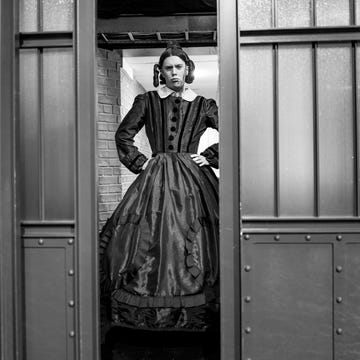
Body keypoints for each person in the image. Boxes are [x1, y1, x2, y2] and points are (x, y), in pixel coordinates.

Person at [99, 44, 219, 359]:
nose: (174, 72)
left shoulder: (204, 104)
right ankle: (144, 315)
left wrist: (209, 156)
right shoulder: (147, 101)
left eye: (179, 67)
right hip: (156, 176)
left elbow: (236, 130)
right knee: (149, 237)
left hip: (193, 179)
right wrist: (140, 163)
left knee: (189, 239)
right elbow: (124, 134)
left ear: (187, 69)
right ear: (161, 72)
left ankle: (196, 311)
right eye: (168, 68)